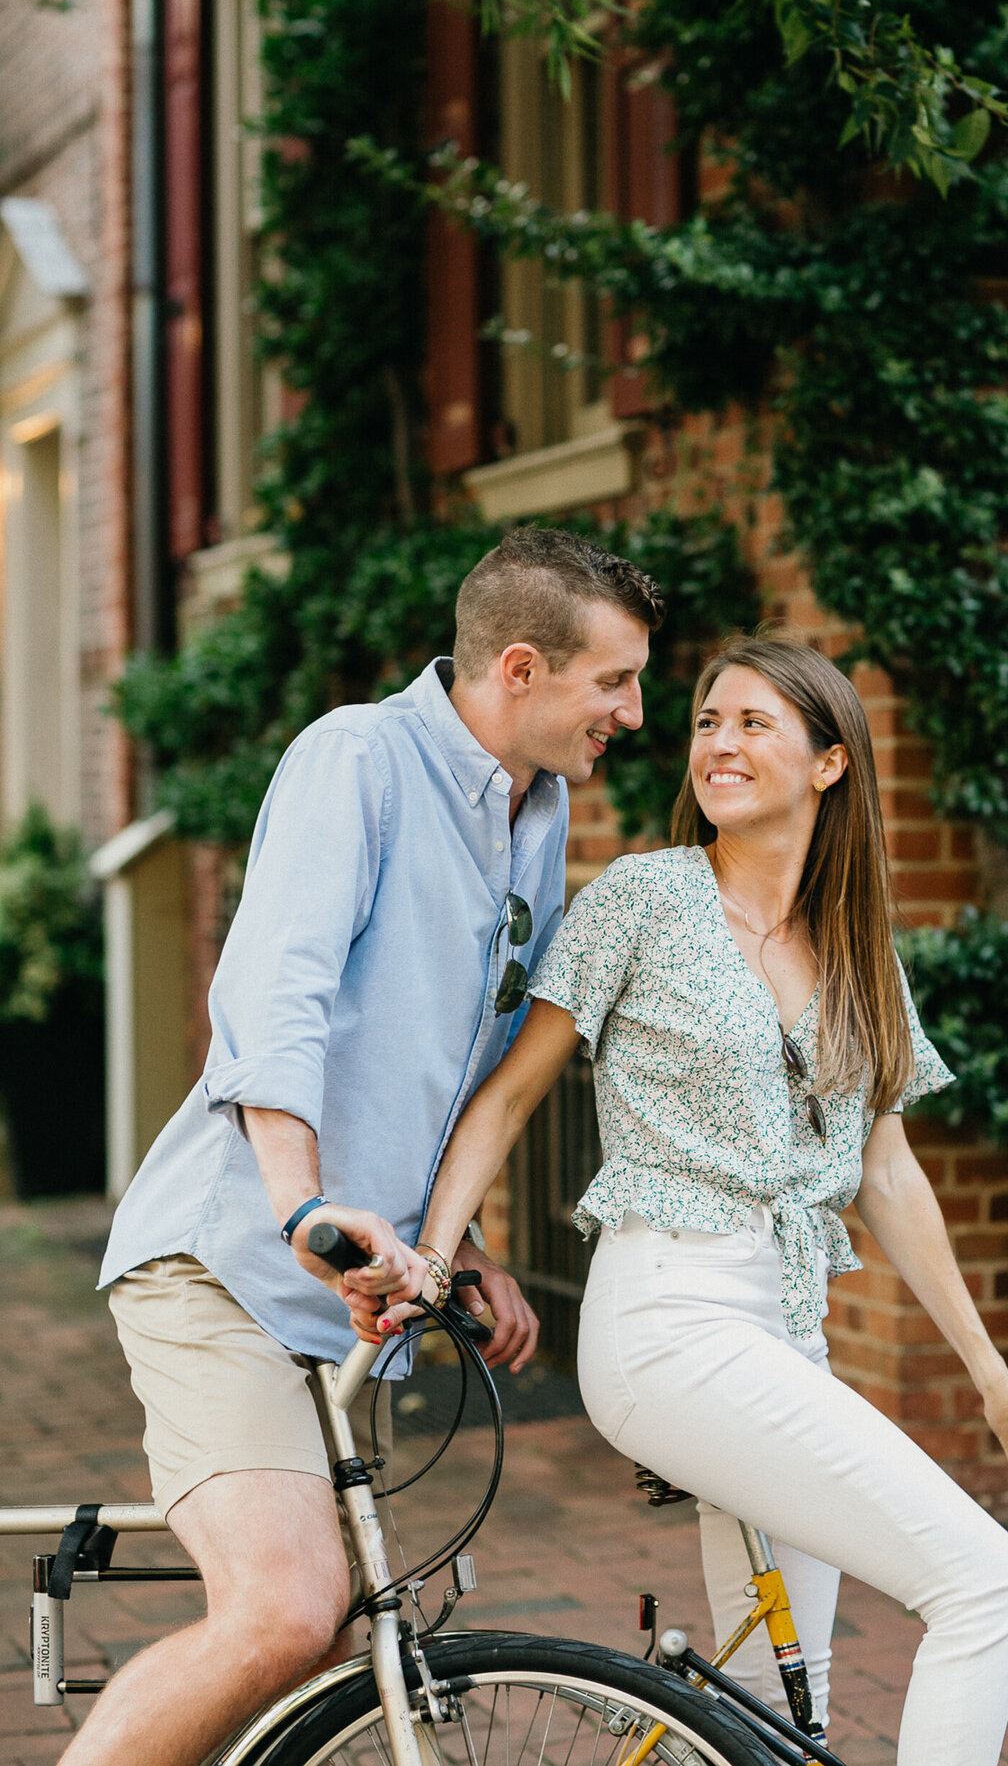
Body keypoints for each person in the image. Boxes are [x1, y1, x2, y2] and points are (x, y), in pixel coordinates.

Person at [399, 632, 1008, 1766]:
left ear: (830, 763)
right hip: (668, 1313)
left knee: (772, 1704)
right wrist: (431, 1253)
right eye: (709, 721)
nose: (718, 742)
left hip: (785, 1329)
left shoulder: (860, 950)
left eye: (754, 723)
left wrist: (992, 1377)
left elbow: (889, 1174)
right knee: (990, 1585)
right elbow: (510, 1099)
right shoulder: (643, 899)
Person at [66, 528, 665, 1766]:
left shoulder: (537, 810)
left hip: (357, 1299)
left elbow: (456, 1059)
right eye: (615, 680)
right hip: (230, 1263)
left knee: (344, 1651)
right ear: (518, 667)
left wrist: (469, 1244)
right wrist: (306, 1206)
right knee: (284, 1615)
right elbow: (275, 997)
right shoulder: (359, 758)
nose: (637, 712)